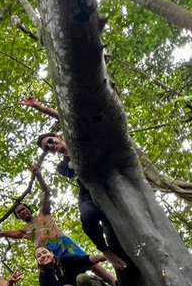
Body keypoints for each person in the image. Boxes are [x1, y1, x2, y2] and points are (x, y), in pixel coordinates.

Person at [21, 96, 127, 271]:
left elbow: (65, 119)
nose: (50, 146)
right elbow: (76, 168)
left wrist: (41, 108)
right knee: (88, 219)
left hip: (112, 183)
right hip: (88, 193)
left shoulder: (79, 139)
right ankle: (105, 251)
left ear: (58, 136)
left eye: (50, 142)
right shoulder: (62, 166)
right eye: (47, 148)